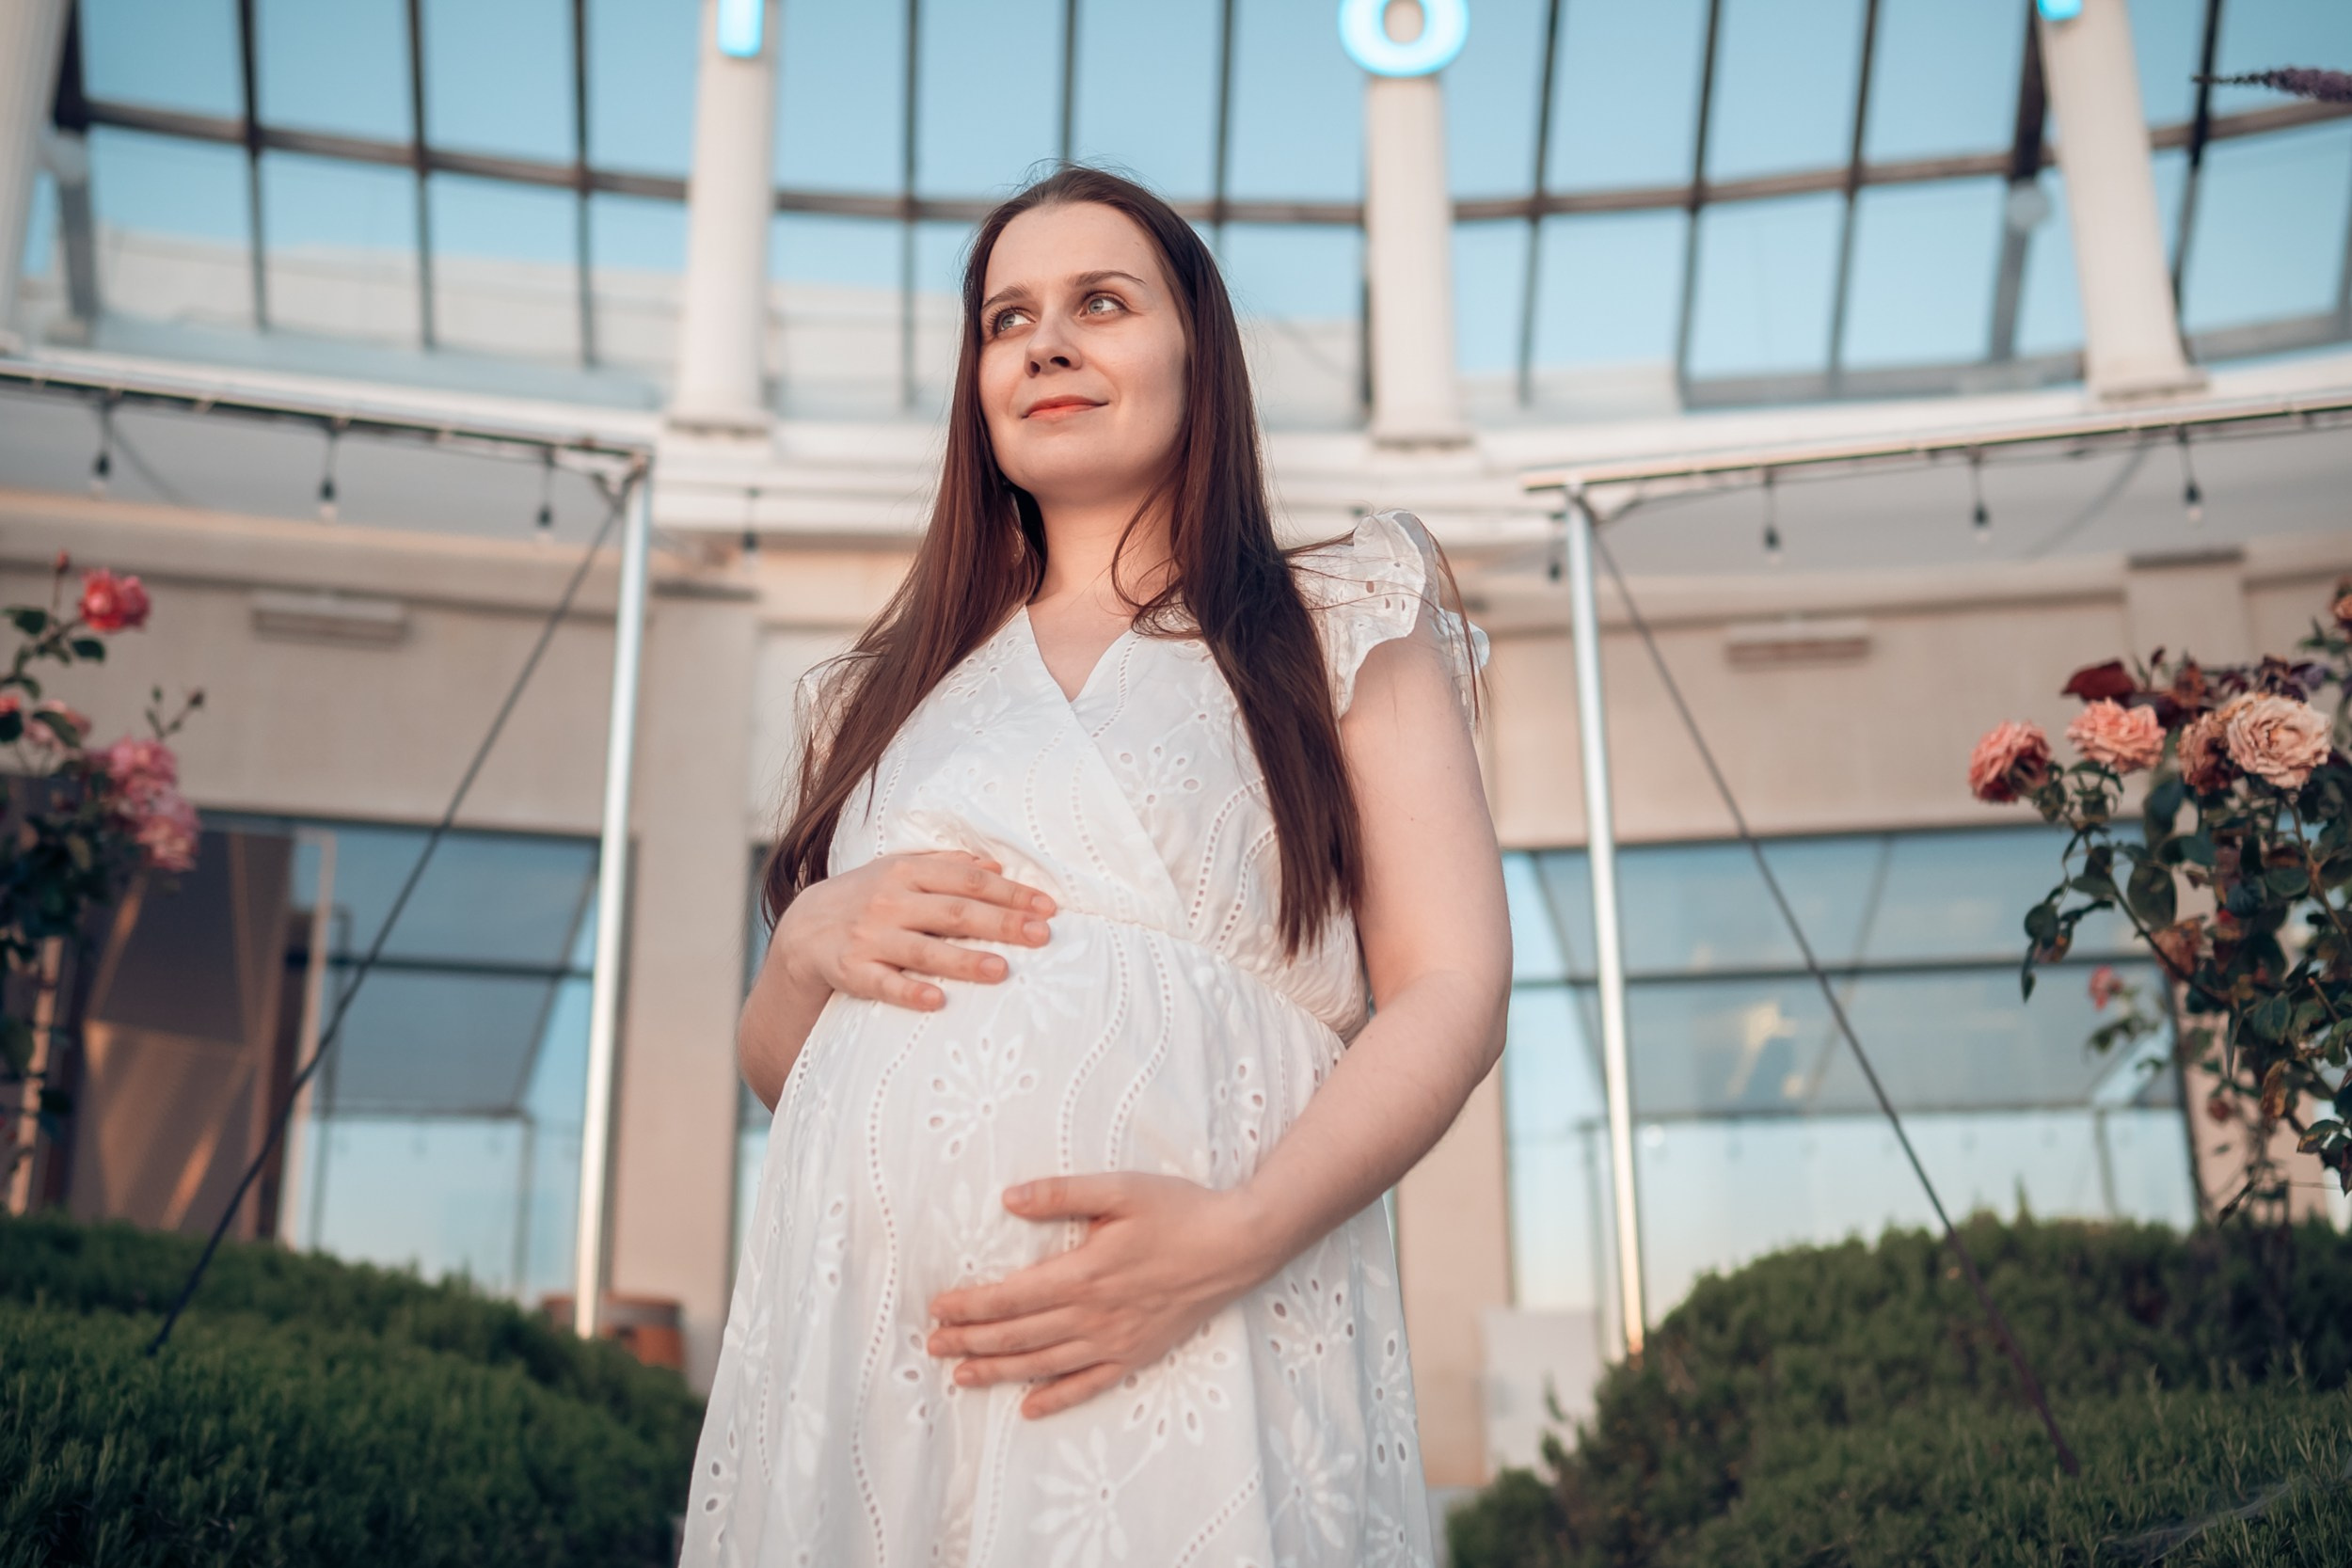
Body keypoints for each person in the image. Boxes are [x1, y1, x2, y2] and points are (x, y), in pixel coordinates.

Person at [683, 165, 1510, 1567]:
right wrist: (804, 944)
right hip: (880, 1356)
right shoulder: (875, 694)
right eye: (1008, 319)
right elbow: (787, 1072)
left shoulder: (1341, 616)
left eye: (1100, 303)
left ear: (1201, 350)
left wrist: (1237, 1236)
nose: (1046, 342)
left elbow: (1454, 985)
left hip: (1211, 1311)